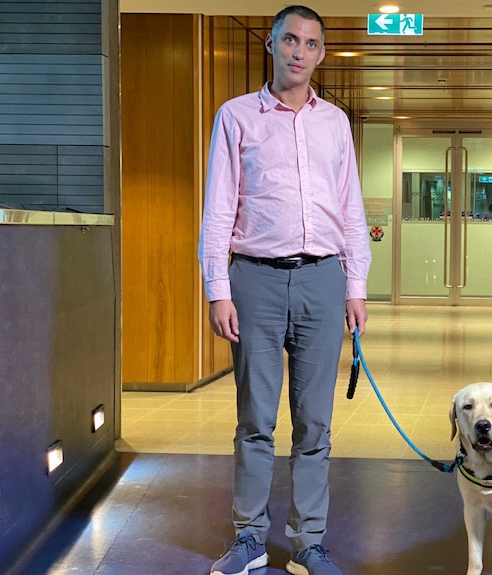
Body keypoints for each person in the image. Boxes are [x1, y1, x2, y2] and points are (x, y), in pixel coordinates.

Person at [198, 5, 371, 575]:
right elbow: (219, 207)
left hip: (324, 278)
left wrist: (356, 285)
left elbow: (350, 208)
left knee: (315, 423)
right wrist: (217, 288)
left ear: (322, 53)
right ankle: (249, 539)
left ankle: (307, 542)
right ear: (271, 45)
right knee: (255, 419)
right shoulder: (236, 116)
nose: (299, 51)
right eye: (290, 40)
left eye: (311, 43)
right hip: (255, 279)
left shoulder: (335, 122)